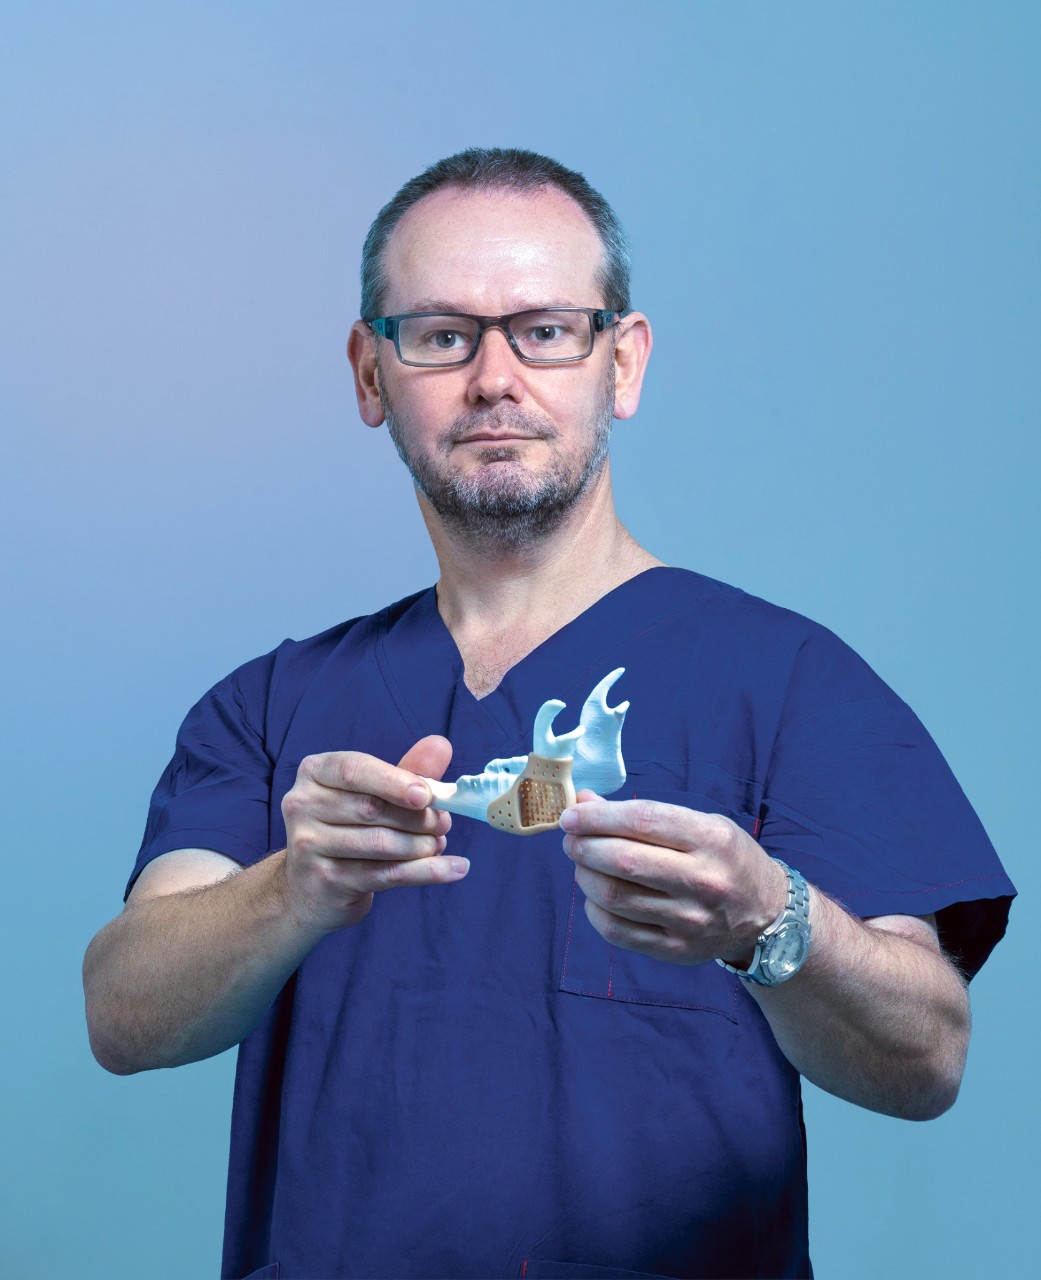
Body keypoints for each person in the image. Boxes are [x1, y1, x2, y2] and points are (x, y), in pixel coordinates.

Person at [83, 148, 1014, 1280]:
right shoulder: (273, 705)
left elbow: (927, 1058)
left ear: (621, 363)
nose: (492, 377)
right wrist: (295, 884)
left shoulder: (788, 681)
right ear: (370, 374)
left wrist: (772, 919)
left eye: (545, 330)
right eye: (438, 333)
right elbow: (124, 1014)